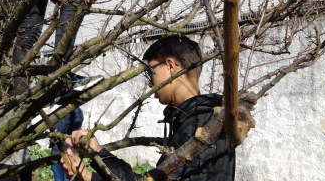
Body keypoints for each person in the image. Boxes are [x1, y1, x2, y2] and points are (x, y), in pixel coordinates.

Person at [61, 35, 236, 180]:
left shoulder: (200, 123)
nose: (150, 82)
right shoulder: (193, 118)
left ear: (170, 66)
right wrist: (93, 165)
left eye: (151, 71)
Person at [50, 108, 84, 181]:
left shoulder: (76, 111)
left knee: (68, 178)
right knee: (59, 179)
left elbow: (75, 130)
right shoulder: (56, 111)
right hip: (56, 151)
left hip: (70, 152)